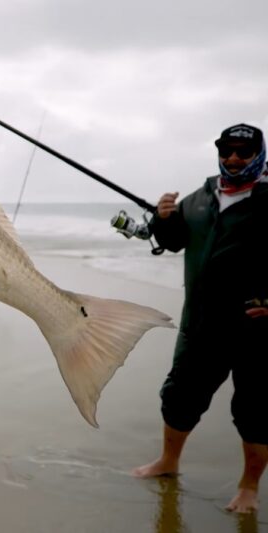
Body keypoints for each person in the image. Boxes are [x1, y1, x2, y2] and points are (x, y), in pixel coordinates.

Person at [132, 123, 268, 514]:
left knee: (256, 412)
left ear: (258, 153)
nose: (233, 159)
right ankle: (168, 462)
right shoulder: (202, 197)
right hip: (202, 323)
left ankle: (249, 487)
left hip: (256, 330)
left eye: (243, 151)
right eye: (227, 151)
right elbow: (174, 240)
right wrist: (163, 218)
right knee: (179, 397)